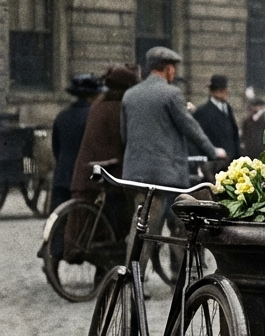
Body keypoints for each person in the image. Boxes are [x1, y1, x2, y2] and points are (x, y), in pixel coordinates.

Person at [122, 47, 226, 247]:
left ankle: (133, 273)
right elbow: (191, 128)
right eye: (174, 69)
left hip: (134, 174)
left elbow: (124, 135)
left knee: (140, 227)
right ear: (168, 69)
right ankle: (138, 276)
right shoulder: (171, 94)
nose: (174, 74)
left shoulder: (130, 95)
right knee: (157, 231)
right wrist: (213, 152)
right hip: (162, 177)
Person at [65, 65, 140, 259]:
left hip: (86, 173)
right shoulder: (120, 107)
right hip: (111, 173)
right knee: (120, 221)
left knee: (91, 222)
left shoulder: (98, 104)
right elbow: (126, 141)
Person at [50, 74, 105, 208]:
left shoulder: (62, 116)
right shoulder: (94, 116)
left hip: (62, 176)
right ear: (92, 97)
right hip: (85, 178)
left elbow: (56, 147)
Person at [192, 74, 240, 173]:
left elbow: (234, 135)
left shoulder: (227, 109)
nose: (225, 92)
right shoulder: (203, 112)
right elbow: (198, 138)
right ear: (212, 92)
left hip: (230, 164)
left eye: (225, 89)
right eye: (221, 90)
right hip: (213, 165)